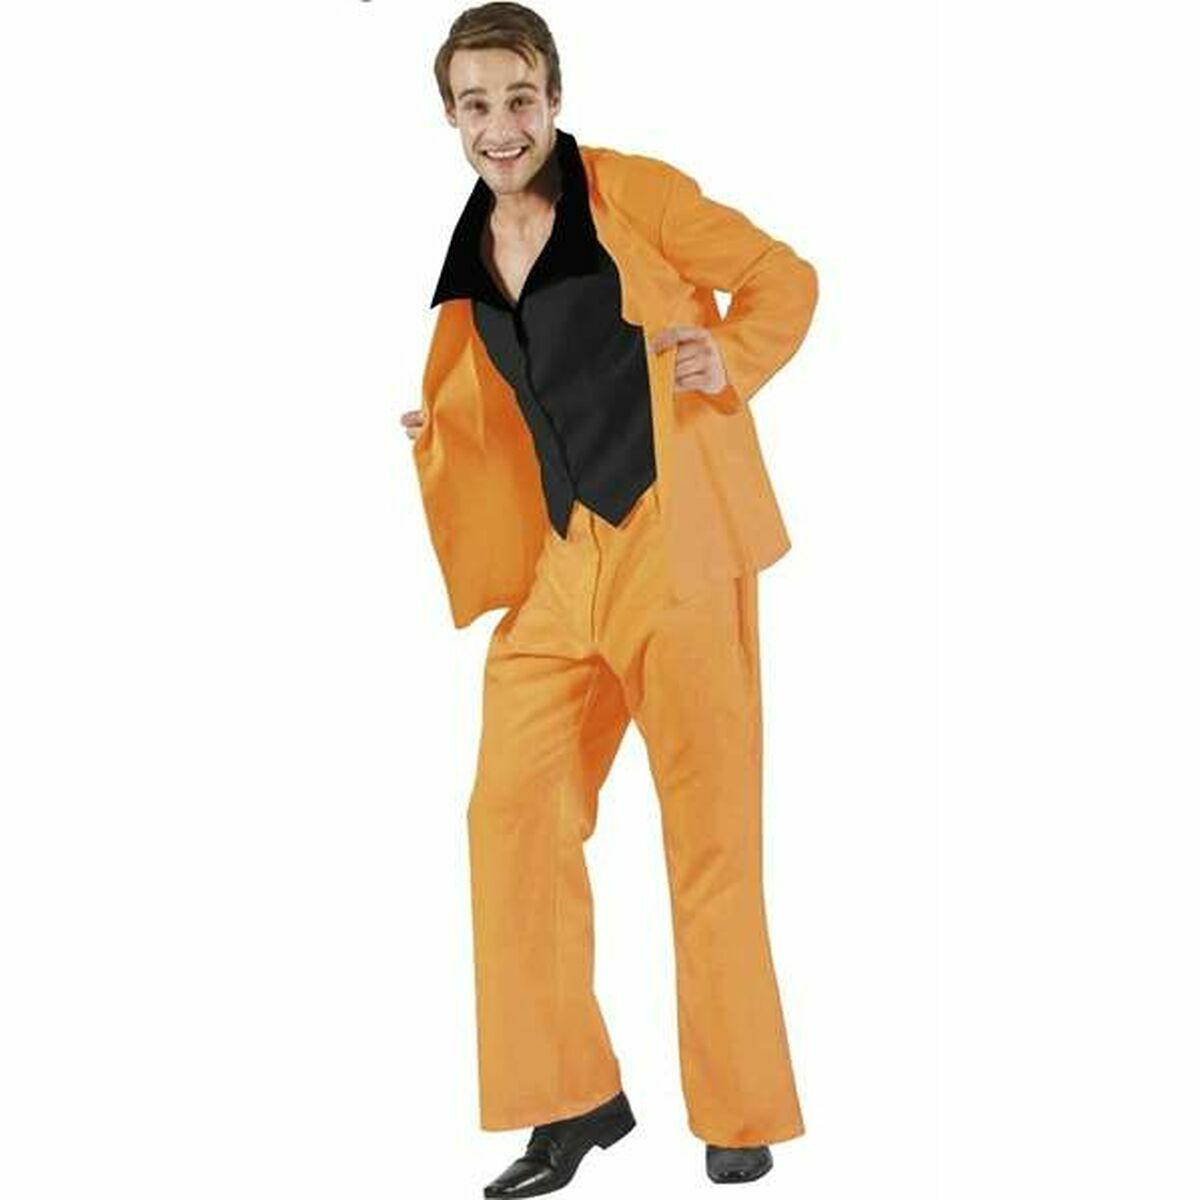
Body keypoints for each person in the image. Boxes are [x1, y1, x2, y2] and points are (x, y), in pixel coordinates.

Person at [402, 4, 819, 1193]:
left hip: (676, 549)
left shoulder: (633, 192)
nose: (500, 126)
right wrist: (442, 437)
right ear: (450, 116)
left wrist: (729, 357)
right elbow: (514, 398)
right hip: (560, 565)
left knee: (709, 842)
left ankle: (738, 1110)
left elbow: (783, 278)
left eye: (519, 98)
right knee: (510, 822)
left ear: (553, 98)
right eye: (476, 104)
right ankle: (572, 1102)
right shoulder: (469, 255)